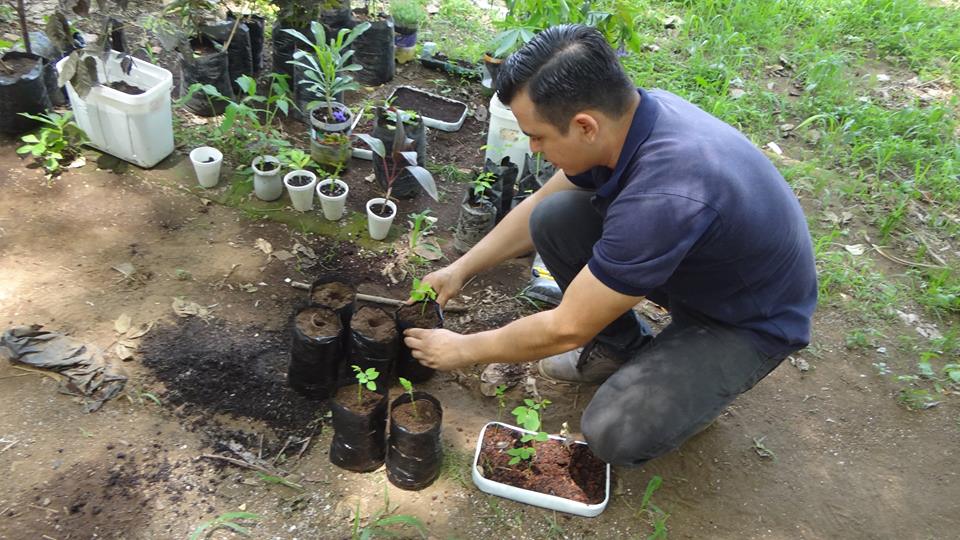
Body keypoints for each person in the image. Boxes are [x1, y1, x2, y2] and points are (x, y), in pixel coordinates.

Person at [402, 24, 817, 466]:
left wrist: (462, 349)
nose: (533, 148)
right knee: (555, 216)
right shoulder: (629, 118)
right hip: (701, 268)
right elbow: (542, 199)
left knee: (614, 432)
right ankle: (620, 348)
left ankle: (693, 389)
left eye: (538, 136)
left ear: (584, 126)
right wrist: (460, 269)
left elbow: (566, 327)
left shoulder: (664, 196)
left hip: (745, 319)